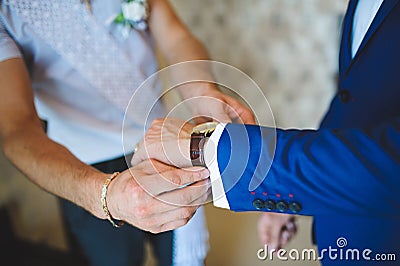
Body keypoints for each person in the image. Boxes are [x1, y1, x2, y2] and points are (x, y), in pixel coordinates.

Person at [132, 0, 400, 265]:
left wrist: (209, 149)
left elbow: (391, 160)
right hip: (351, 231)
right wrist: (287, 186)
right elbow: (355, 101)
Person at [0, 0, 260, 265]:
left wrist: (200, 90)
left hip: (161, 142)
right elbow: (17, 129)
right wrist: (103, 196)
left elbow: (175, 37)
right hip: (82, 168)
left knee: (184, 255)